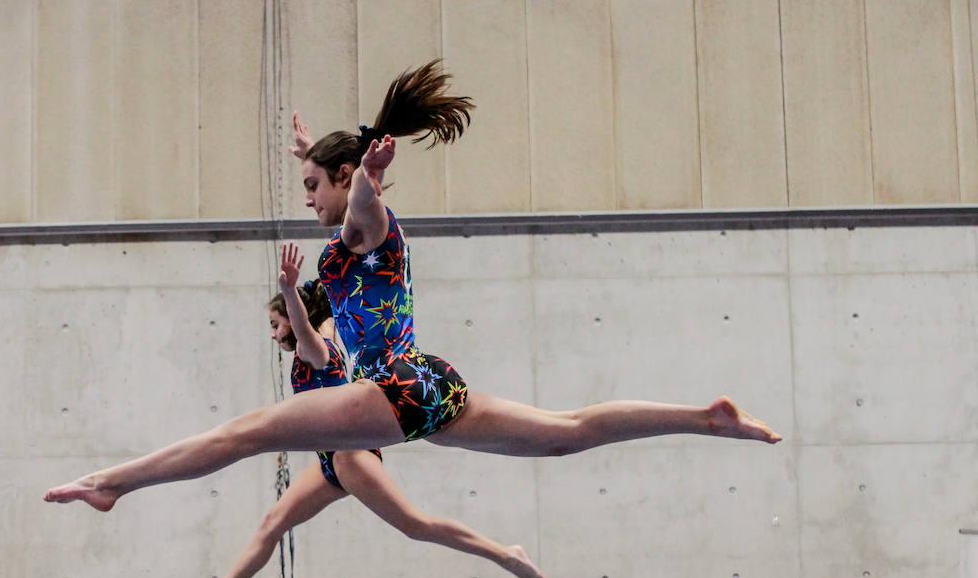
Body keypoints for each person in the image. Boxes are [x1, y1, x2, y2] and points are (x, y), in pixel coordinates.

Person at [45, 59, 779, 517]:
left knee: (246, 433)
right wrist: (322, 154)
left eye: (310, 184)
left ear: (343, 180)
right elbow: (343, 196)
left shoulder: (368, 224)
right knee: (567, 434)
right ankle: (703, 417)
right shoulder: (352, 235)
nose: (306, 198)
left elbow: (358, 202)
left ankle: (112, 483)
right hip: (426, 385)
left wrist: (362, 176)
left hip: (394, 388)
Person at [174, 243, 548, 578]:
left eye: (274, 324)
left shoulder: (317, 348)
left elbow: (305, 335)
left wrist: (289, 292)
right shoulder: (325, 335)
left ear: (293, 317)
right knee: (272, 523)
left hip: (350, 456)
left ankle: (505, 555)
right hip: (329, 460)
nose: (273, 334)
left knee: (414, 524)